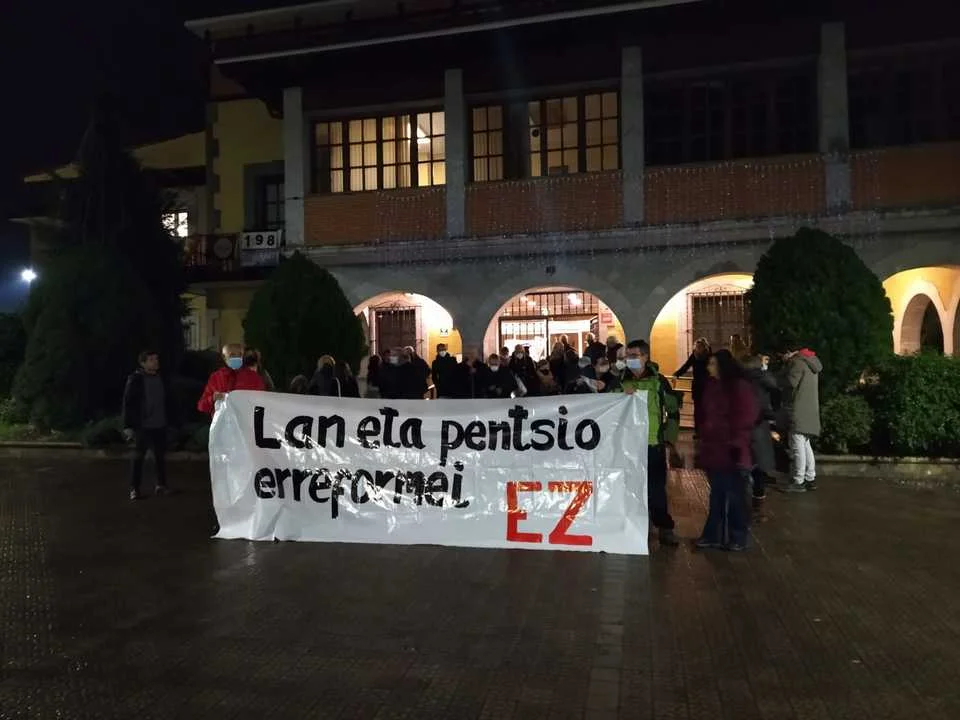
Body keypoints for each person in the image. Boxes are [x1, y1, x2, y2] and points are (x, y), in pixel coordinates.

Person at [618, 339, 681, 547]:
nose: (629, 359)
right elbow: (606, 405)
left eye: (634, 355)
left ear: (645, 357)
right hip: (628, 446)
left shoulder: (659, 381)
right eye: (627, 356)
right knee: (630, 487)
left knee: (656, 489)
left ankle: (664, 527)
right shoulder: (619, 381)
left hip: (653, 443)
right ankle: (635, 526)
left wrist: (670, 439)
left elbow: (673, 410)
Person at [694, 349, 757, 551]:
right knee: (717, 495)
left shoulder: (739, 387)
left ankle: (737, 536)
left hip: (732, 450)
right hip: (714, 448)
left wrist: (735, 442)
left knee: (735, 496)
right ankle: (714, 534)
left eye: (712, 364)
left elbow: (746, 416)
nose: (709, 368)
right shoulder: (711, 386)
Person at [122, 350, 175, 501]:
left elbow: (170, 400)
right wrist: (128, 426)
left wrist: (172, 421)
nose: (155, 362)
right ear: (143, 363)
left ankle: (161, 485)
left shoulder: (162, 378)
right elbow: (128, 403)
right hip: (143, 425)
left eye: (156, 359)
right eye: (151, 360)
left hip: (160, 423)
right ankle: (134, 488)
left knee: (160, 457)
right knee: (138, 458)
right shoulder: (136, 380)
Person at [781, 346, 823, 492]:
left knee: (798, 444)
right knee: (805, 443)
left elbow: (790, 383)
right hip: (809, 409)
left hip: (798, 408)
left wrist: (787, 364)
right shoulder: (811, 362)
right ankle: (810, 478)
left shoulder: (797, 362)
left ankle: (798, 480)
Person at [743, 354, 778, 508]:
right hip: (760, 424)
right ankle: (758, 495)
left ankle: (752, 494)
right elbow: (773, 397)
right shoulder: (765, 378)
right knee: (758, 460)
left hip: (749, 424)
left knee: (749, 459)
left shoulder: (746, 380)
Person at [197, 344, 266, 415]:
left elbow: (262, 404)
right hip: (222, 421)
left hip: (246, 420)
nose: (237, 358)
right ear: (224, 357)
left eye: (239, 355)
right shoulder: (216, 377)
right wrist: (213, 398)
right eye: (232, 355)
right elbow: (201, 406)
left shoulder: (254, 377)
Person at [674, 337, 711, 435]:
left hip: (706, 385)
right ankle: (698, 431)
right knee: (698, 409)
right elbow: (686, 366)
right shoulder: (695, 356)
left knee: (706, 409)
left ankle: (705, 430)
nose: (698, 348)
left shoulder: (708, 356)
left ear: (704, 347)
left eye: (700, 346)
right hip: (698, 385)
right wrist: (677, 374)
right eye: (697, 346)